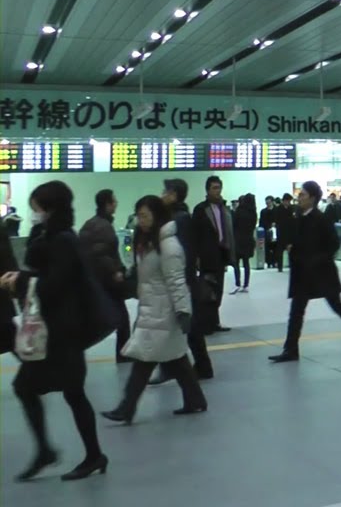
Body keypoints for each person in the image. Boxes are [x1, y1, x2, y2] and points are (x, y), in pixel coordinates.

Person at [1, 181, 107, 481]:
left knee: (62, 392)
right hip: (56, 332)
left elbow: (52, 286)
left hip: (63, 333)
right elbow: (41, 273)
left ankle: (86, 454)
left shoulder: (63, 240)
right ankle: (77, 453)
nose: (33, 214)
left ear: (50, 208)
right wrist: (21, 276)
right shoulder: (52, 236)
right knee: (64, 392)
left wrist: (18, 283)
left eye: (36, 208)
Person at [101, 196, 207, 425]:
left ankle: (126, 408)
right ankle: (195, 399)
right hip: (152, 308)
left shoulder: (168, 245)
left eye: (145, 216)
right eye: (139, 216)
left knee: (144, 359)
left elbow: (176, 279)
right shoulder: (149, 241)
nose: (141, 221)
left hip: (163, 311)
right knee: (177, 359)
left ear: (157, 216)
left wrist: (182, 310)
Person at [268, 181, 341, 363]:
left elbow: (333, 244)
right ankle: (291, 349)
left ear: (313, 198)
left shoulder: (321, 219)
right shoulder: (299, 217)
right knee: (297, 310)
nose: (299, 198)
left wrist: (316, 258)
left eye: (303, 195)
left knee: (336, 305)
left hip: (322, 272)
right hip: (303, 272)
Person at [151, 179, 214, 383]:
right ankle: (200, 368)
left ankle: (194, 369)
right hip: (182, 280)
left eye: (165, 192)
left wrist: (180, 280)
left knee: (186, 328)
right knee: (189, 329)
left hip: (181, 281)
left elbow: (184, 251)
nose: (162, 195)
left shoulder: (180, 219)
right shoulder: (177, 217)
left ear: (173, 195)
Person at [79, 188, 129, 362]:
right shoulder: (103, 226)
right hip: (107, 281)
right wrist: (115, 271)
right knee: (122, 318)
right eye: (114, 201)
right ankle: (123, 354)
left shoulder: (91, 223)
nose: (116, 204)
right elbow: (102, 254)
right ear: (107, 204)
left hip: (94, 280)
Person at [191, 176, 234, 332]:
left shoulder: (224, 209)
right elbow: (194, 234)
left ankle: (215, 322)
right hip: (206, 255)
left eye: (219, 188)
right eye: (214, 188)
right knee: (206, 290)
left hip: (221, 253)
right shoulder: (200, 210)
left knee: (218, 290)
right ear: (208, 190)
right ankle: (205, 324)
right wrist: (195, 256)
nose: (218, 191)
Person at [232, 194, 256, 294]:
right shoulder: (253, 213)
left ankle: (237, 283)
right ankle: (246, 285)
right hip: (249, 240)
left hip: (238, 240)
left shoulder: (239, 211)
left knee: (236, 263)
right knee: (246, 263)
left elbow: (234, 225)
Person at [274, 194, 297, 273]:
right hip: (281, 232)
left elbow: (294, 220)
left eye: (289, 201)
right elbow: (277, 221)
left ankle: (292, 265)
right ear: (283, 201)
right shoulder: (278, 209)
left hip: (290, 232)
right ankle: (280, 266)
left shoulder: (292, 208)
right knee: (280, 250)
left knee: (291, 250)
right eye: (287, 201)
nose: (288, 203)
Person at [260, 197, 278, 270]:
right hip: (267, 230)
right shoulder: (263, 211)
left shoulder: (277, 210)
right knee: (267, 248)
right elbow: (262, 222)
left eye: (269, 202)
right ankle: (269, 262)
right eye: (266, 202)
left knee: (275, 247)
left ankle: (275, 261)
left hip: (275, 230)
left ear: (272, 202)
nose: (268, 204)